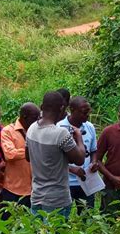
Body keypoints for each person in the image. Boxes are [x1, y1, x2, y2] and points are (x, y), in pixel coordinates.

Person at [26, 91, 85, 220]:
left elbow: (28, 157)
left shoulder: (31, 129)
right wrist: (79, 138)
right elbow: (80, 159)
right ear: (62, 109)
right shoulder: (61, 134)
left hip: (36, 197)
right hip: (57, 200)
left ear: (42, 107)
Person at [57, 96, 98, 213]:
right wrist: (72, 169)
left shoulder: (89, 127)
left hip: (86, 180)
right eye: (84, 112)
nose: (87, 115)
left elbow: (94, 150)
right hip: (66, 182)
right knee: (63, 216)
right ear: (72, 110)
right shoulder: (59, 128)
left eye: (88, 112)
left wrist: (94, 162)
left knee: (87, 215)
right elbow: (55, 158)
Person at [0, 103, 40, 220]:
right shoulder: (8, 131)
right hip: (13, 189)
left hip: (34, 189)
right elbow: (10, 154)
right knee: (8, 226)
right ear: (24, 116)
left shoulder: (37, 131)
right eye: (35, 118)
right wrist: (33, 150)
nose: (37, 121)